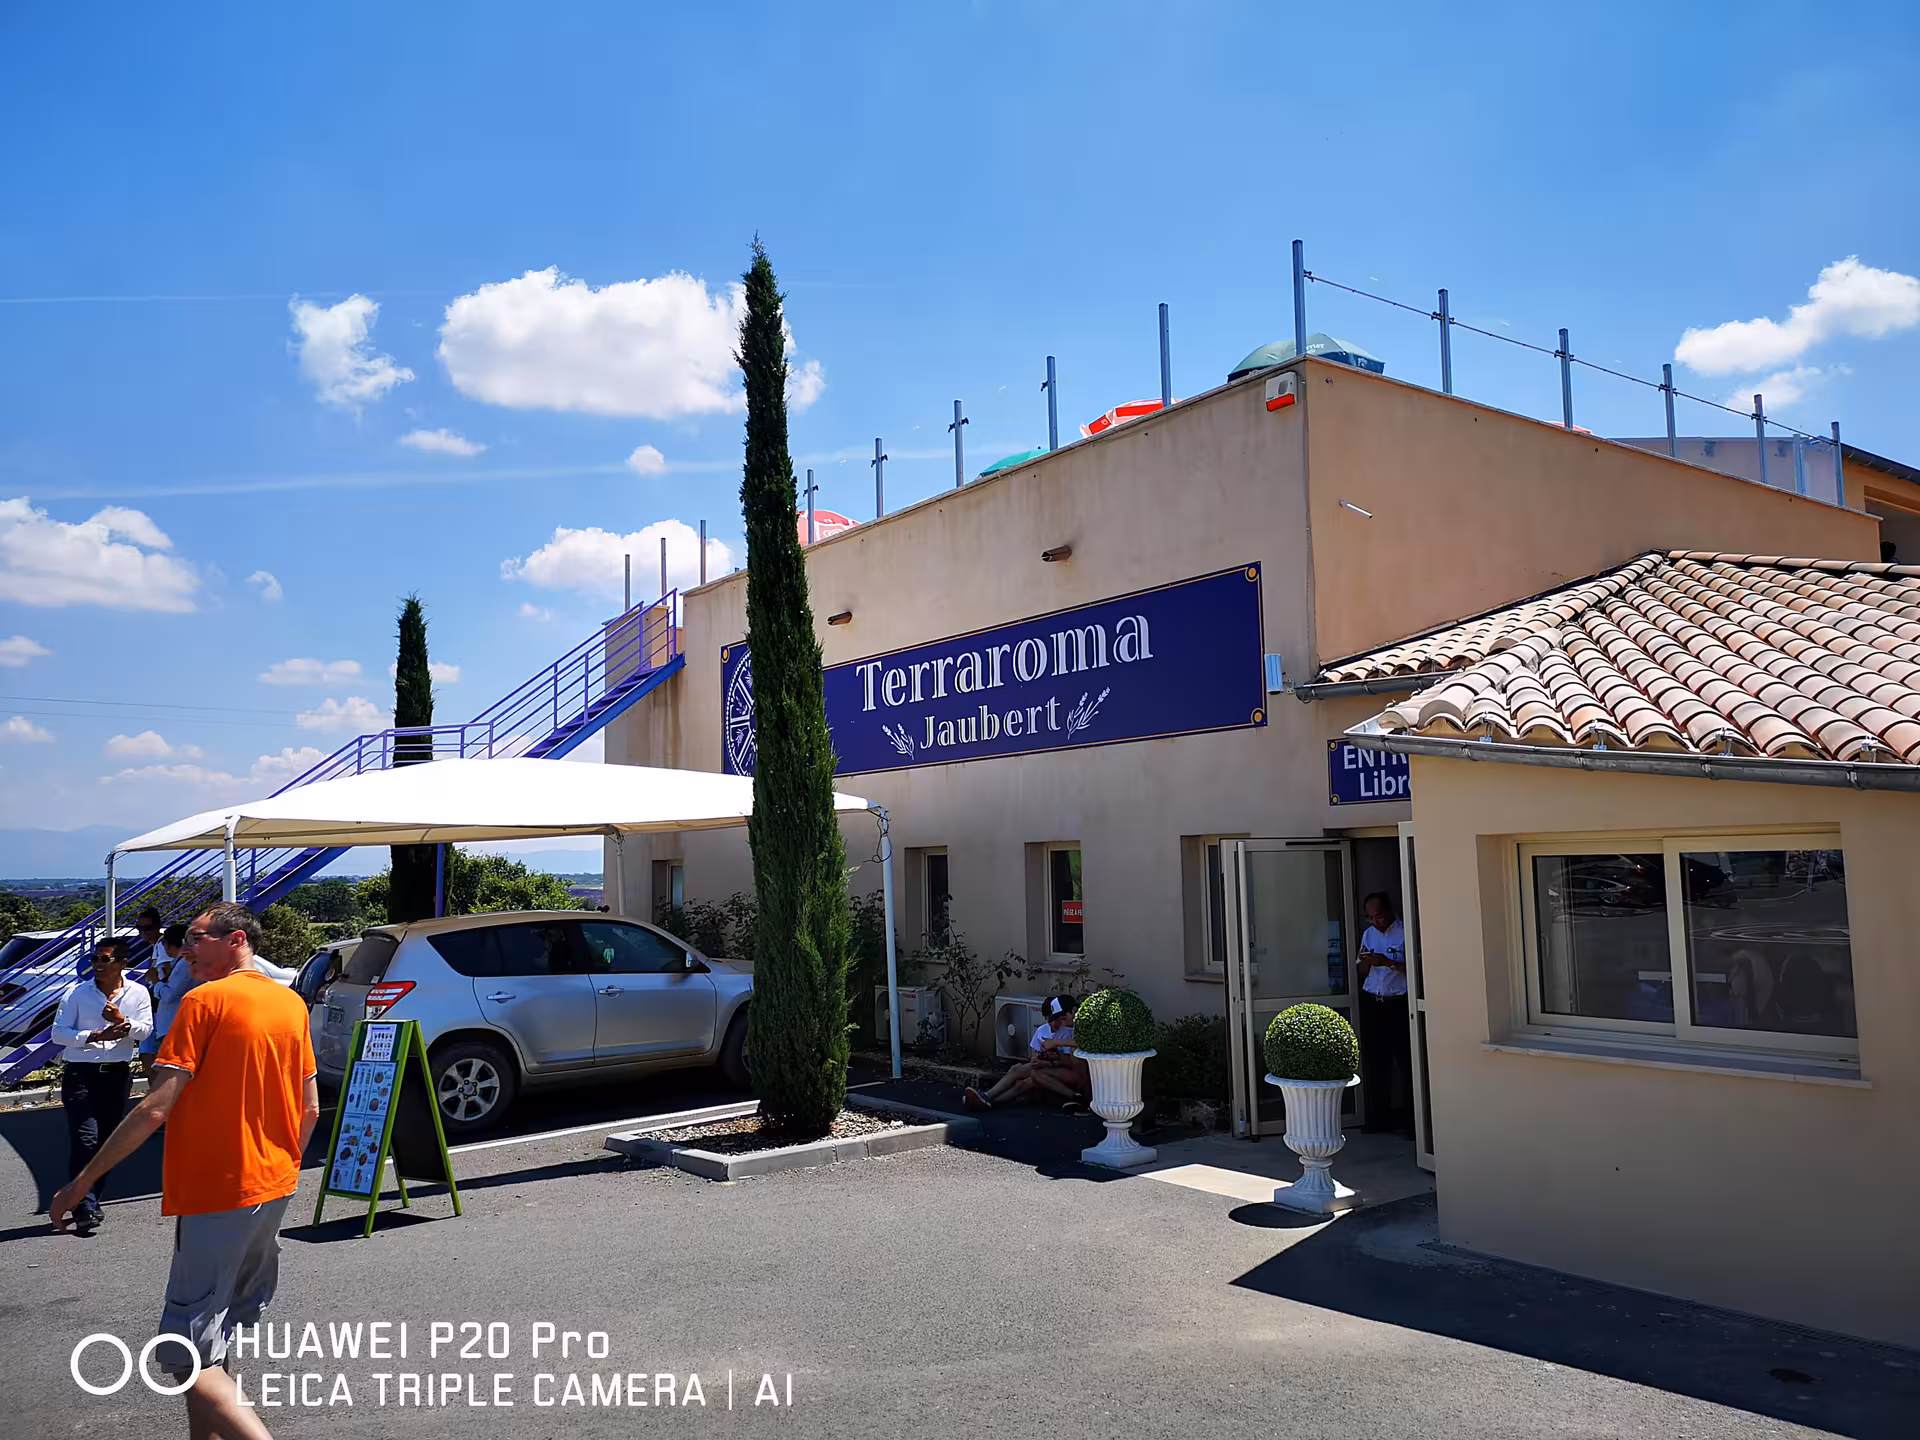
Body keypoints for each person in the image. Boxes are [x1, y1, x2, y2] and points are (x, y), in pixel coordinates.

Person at [50, 902, 320, 1440]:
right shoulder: (289, 1003)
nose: (184, 949)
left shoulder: (204, 1001)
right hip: (274, 1185)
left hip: (219, 1187)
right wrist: (285, 1164)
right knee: (218, 1340)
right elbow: (308, 1106)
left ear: (235, 939)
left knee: (183, 1356)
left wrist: (80, 1184)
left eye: (196, 939)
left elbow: (155, 1108)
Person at [50, 937, 153, 1235]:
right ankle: (83, 1205)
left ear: (122, 963)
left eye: (105, 959)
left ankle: (91, 1200)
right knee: (86, 1140)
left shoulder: (138, 993)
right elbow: (59, 1034)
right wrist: (94, 1036)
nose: (97, 964)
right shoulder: (77, 993)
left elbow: (146, 1030)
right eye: (96, 958)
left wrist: (123, 1022)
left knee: (107, 1143)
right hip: (81, 1074)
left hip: (116, 1075)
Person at [963, 996, 1089, 1111]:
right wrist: (1044, 1058)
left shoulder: (1077, 1027)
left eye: (1063, 1019)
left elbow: (1074, 1058)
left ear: (1073, 1011)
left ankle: (987, 1098)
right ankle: (986, 1100)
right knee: (1021, 1074)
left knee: (1032, 1074)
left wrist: (1054, 1049)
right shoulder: (1068, 1027)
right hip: (1065, 1069)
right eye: (1057, 1020)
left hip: (1077, 1074)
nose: (1062, 1023)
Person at [1355, 892, 1413, 1136]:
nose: (1375, 921)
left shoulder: (1405, 932)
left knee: (1407, 1063)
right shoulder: (1369, 935)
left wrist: (1388, 962)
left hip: (1399, 1003)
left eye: (1379, 915)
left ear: (1389, 911)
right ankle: (1379, 1119)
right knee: (1377, 1063)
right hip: (1374, 1003)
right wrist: (1368, 962)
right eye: (1370, 917)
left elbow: (1415, 968)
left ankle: (1412, 1121)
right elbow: (1361, 971)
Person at [142, 921, 195, 1067]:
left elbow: (170, 995)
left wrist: (156, 982)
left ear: (169, 945)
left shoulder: (184, 964)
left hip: (173, 1026)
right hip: (171, 1025)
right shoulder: (181, 963)